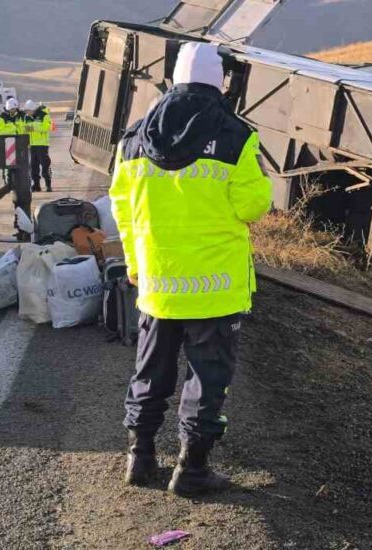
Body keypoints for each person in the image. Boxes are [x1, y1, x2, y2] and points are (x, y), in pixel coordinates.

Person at [110, 41, 272, 497]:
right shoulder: (237, 135)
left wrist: (137, 263)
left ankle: (140, 458)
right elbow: (252, 206)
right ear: (219, 82)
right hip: (215, 287)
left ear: (174, 79)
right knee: (207, 379)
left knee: (150, 372)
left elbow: (122, 207)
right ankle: (192, 470)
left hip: (158, 282)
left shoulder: (135, 137)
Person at [24, 100, 53, 192]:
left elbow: (46, 128)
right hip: (32, 145)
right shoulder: (26, 117)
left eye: (28, 110)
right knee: (33, 167)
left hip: (42, 145)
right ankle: (36, 186)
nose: (26, 112)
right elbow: (25, 129)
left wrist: (33, 128)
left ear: (32, 109)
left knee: (45, 166)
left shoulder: (44, 115)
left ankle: (48, 185)